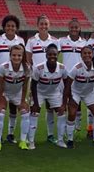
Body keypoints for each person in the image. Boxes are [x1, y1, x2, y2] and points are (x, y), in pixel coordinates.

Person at [0, 14, 25, 144]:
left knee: (14, 108)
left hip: (16, 79)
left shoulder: (20, 40)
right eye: (8, 26)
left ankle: (10, 134)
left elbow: (23, 58)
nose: (10, 28)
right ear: (4, 27)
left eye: (13, 26)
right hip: (1, 79)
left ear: (16, 28)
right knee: (0, 107)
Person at [25, 15, 59, 144]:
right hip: (36, 80)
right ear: (37, 26)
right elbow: (28, 60)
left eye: (46, 24)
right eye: (41, 24)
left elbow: (55, 59)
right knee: (34, 108)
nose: (44, 26)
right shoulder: (32, 40)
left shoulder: (55, 41)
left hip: (51, 80)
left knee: (50, 108)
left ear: (49, 26)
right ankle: (30, 137)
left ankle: (50, 135)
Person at [64, 45, 94, 148]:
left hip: (89, 93)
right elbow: (68, 85)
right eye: (84, 53)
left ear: (92, 54)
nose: (87, 55)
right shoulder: (76, 68)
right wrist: (66, 101)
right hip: (75, 92)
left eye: (89, 53)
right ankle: (70, 140)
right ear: (81, 55)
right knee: (72, 114)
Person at [29, 44, 68, 150]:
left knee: (61, 113)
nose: (52, 56)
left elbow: (67, 86)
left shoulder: (62, 68)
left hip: (54, 93)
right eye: (50, 54)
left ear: (57, 55)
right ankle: (31, 141)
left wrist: (64, 104)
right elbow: (33, 85)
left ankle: (60, 140)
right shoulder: (39, 68)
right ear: (46, 55)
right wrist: (36, 103)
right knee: (34, 112)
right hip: (39, 92)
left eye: (54, 54)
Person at [0, 45, 31, 151]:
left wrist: (23, 100)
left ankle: (23, 141)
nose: (16, 57)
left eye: (19, 55)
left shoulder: (27, 67)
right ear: (10, 56)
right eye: (14, 55)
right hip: (4, 93)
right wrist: (0, 98)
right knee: (0, 114)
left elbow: (25, 85)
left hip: (18, 94)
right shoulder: (3, 67)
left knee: (25, 113)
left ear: (22, 56)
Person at [59, 18, 87, 131]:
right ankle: (67, 124)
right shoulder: (61, 41)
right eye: (72, 27)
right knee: (66, 101)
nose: (74, 29)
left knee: (77, 101)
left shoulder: (84, 42)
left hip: (80, 76)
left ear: (79, 28)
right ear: (68, 28)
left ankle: (77, 125)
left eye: (76, 27)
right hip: (66, 77)